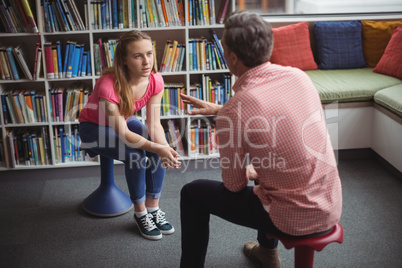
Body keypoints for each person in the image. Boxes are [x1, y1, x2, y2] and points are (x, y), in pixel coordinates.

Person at [179, 11, 342, 268]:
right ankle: (267, 253)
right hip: (330, 204)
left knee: (192, 192)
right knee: (265, 172)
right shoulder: (298, 77)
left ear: (233, 58)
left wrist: (248, 166)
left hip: (291, 218)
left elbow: (233, 185)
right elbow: (282, 123)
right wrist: (223, 110)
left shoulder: (236, 110)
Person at [79, 30, 181, 241]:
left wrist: (164, 149)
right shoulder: (108, 84)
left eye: (150, 54)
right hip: (93, 127)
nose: (146, 61)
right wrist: (156, 148)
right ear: (124, 59)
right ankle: (140, 213)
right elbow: (124, 134)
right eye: (137, 56)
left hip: (121, 121)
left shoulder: (155, 80)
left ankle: (153, 210)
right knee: (136, 152)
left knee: (154, 144)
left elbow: (154, 123)